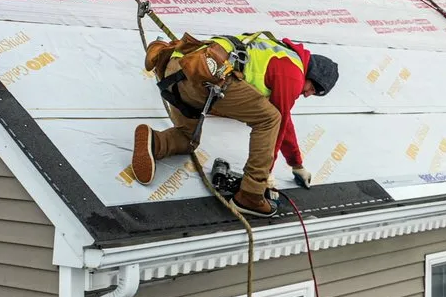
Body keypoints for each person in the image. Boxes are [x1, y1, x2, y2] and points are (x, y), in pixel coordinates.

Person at [130, 31, 339, 217]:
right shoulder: (292, 70)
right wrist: (264, 176)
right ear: (312, 73)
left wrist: (296, 164)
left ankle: (155, 142)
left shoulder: (279, 53)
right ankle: (250, 195)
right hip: (208, 76)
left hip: (177, 71)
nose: (308, 94)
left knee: (187, 138)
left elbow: (285, 121)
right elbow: (279, 121)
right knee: (269, 119)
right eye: (313, 88)